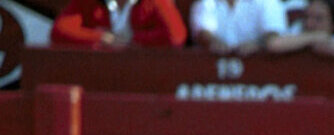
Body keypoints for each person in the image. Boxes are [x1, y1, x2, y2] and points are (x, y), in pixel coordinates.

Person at [50, 0, 187, 48]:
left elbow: (175, 36)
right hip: (99, 75)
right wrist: (101, 38)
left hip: (145, 75)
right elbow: (60, 30)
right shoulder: (90, 2)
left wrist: (132, 41)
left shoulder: (154, 1)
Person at [189, 0, 287, 55]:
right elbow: (203, 32)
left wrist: (257, 45)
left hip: (260, 71)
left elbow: (273, 33)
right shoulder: (206, 3)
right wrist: (215, 43)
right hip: (212, 75)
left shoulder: (268, 2)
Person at [264, 0, 334, 56]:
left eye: (318, 19)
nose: (309, 24)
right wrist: (315, 37)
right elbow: (274, 45)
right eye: (306, 17)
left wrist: (300, 43)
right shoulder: (298, 28)